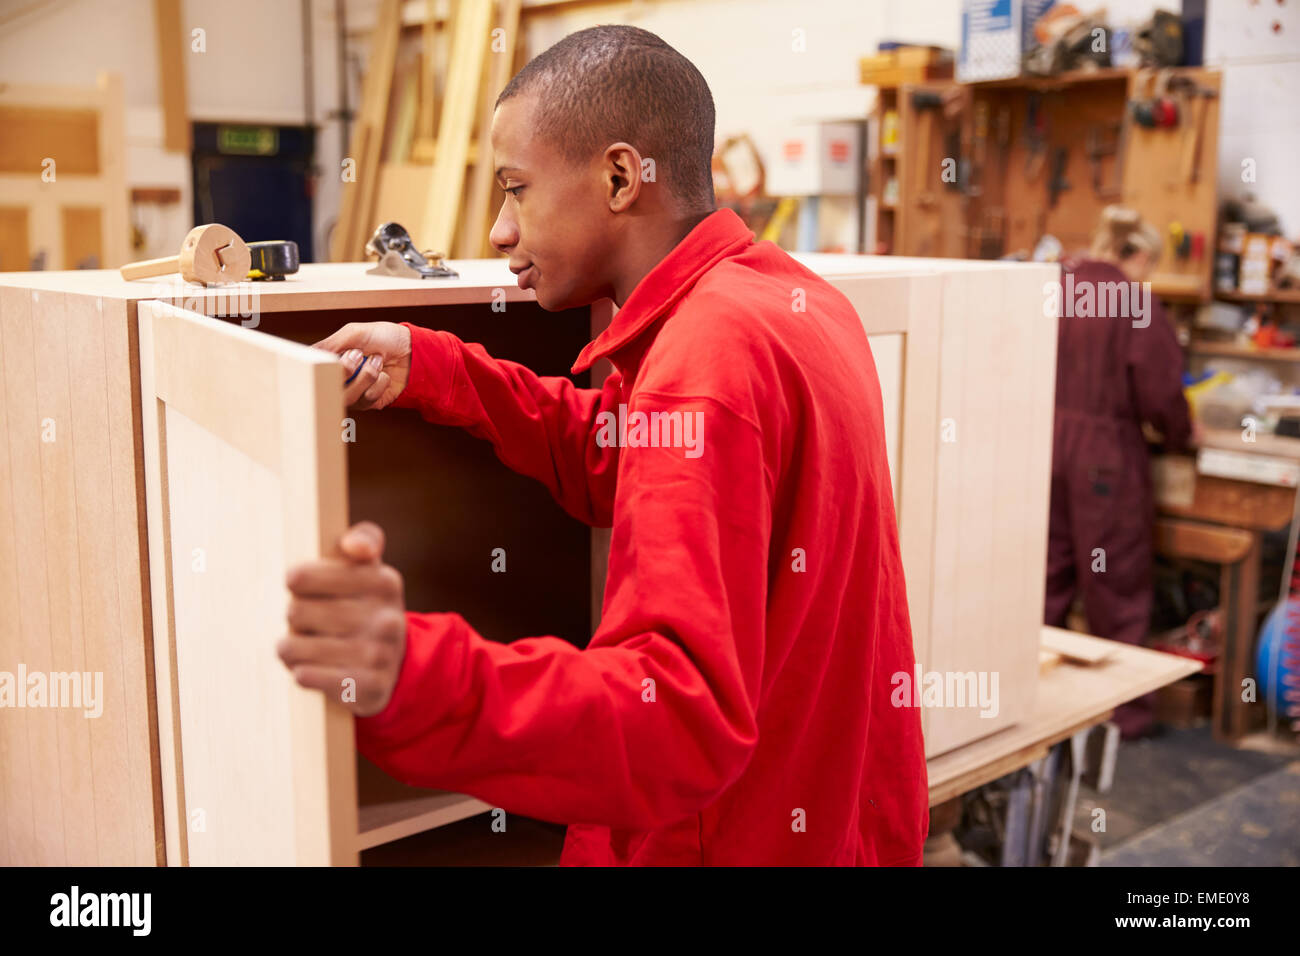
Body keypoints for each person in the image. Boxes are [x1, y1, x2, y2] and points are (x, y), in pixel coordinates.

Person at [275, 25, 927, 865]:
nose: (501, 231)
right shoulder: (789, 301)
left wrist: (417, 676)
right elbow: (629, 464)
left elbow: (677, 717)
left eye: (517, 190)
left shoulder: (706, 360)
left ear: (620, 177)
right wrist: (438, 367)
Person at [1045, 205, 1194, 738]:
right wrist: (1181, 435)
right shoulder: (1134, 302)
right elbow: (1160, 394)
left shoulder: (1054, 287)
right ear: (1136, 254)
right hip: (1104, 456)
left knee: (1047, 582)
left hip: (1043, 445)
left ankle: (1042, 708)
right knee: (1115, 584)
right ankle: (1124, 718)